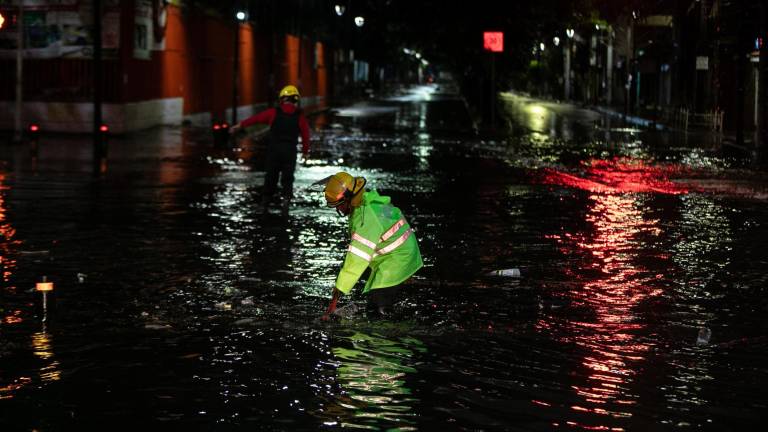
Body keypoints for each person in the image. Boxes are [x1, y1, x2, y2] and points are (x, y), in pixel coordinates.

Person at [319, 172, 423, 319]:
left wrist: (336, 294)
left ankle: (389, 337)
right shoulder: (369, 200)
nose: (339, 210)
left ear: (349, 200)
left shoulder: (365, 220)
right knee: (375, 302)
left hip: (397, 260)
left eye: (340, 205)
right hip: (403, 253)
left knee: (379, 312)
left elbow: (356, 260)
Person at [230, 85, 310, 212]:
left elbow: (255, 119)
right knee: (288, 178)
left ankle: (265, 203)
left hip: (274, 151)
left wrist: (239, 126)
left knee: (271, 176)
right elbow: (306, 135)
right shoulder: (300, 116)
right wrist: (305, 153)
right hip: (290, 152)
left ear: (283, 99)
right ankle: (286, 202)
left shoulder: (273, 113)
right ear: (295, 100)